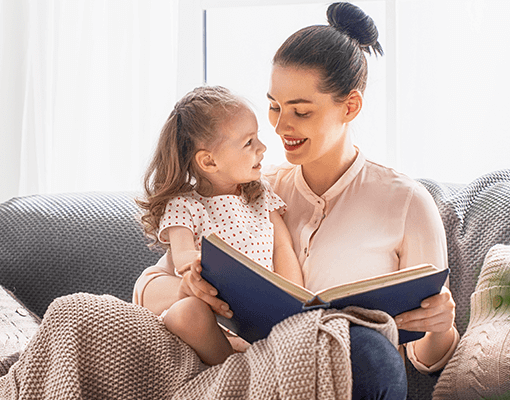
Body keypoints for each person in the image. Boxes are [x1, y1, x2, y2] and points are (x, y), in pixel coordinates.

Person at [133, 2, 458, 398]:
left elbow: (426, 359)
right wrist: (193, 290)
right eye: (274, 106)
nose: (280, 127)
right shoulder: (249, 190)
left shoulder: (407, 204)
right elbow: (148, 287)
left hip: (352, 377)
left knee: (369, 350)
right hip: (256, 374)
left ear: (350, 106)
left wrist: (440, 327)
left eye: (301, 112)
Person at [136, 85, 304, 366]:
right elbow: (184, 258)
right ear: (209, 161)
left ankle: (245, 364)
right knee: (188, 312)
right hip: (212, 315)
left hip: (259, 317)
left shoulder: (261, 196)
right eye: (249, 142)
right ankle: (233, 373)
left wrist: (294, 302)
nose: (262, 148)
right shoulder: (186, 205)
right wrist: (197, 271)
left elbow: (282, 245)